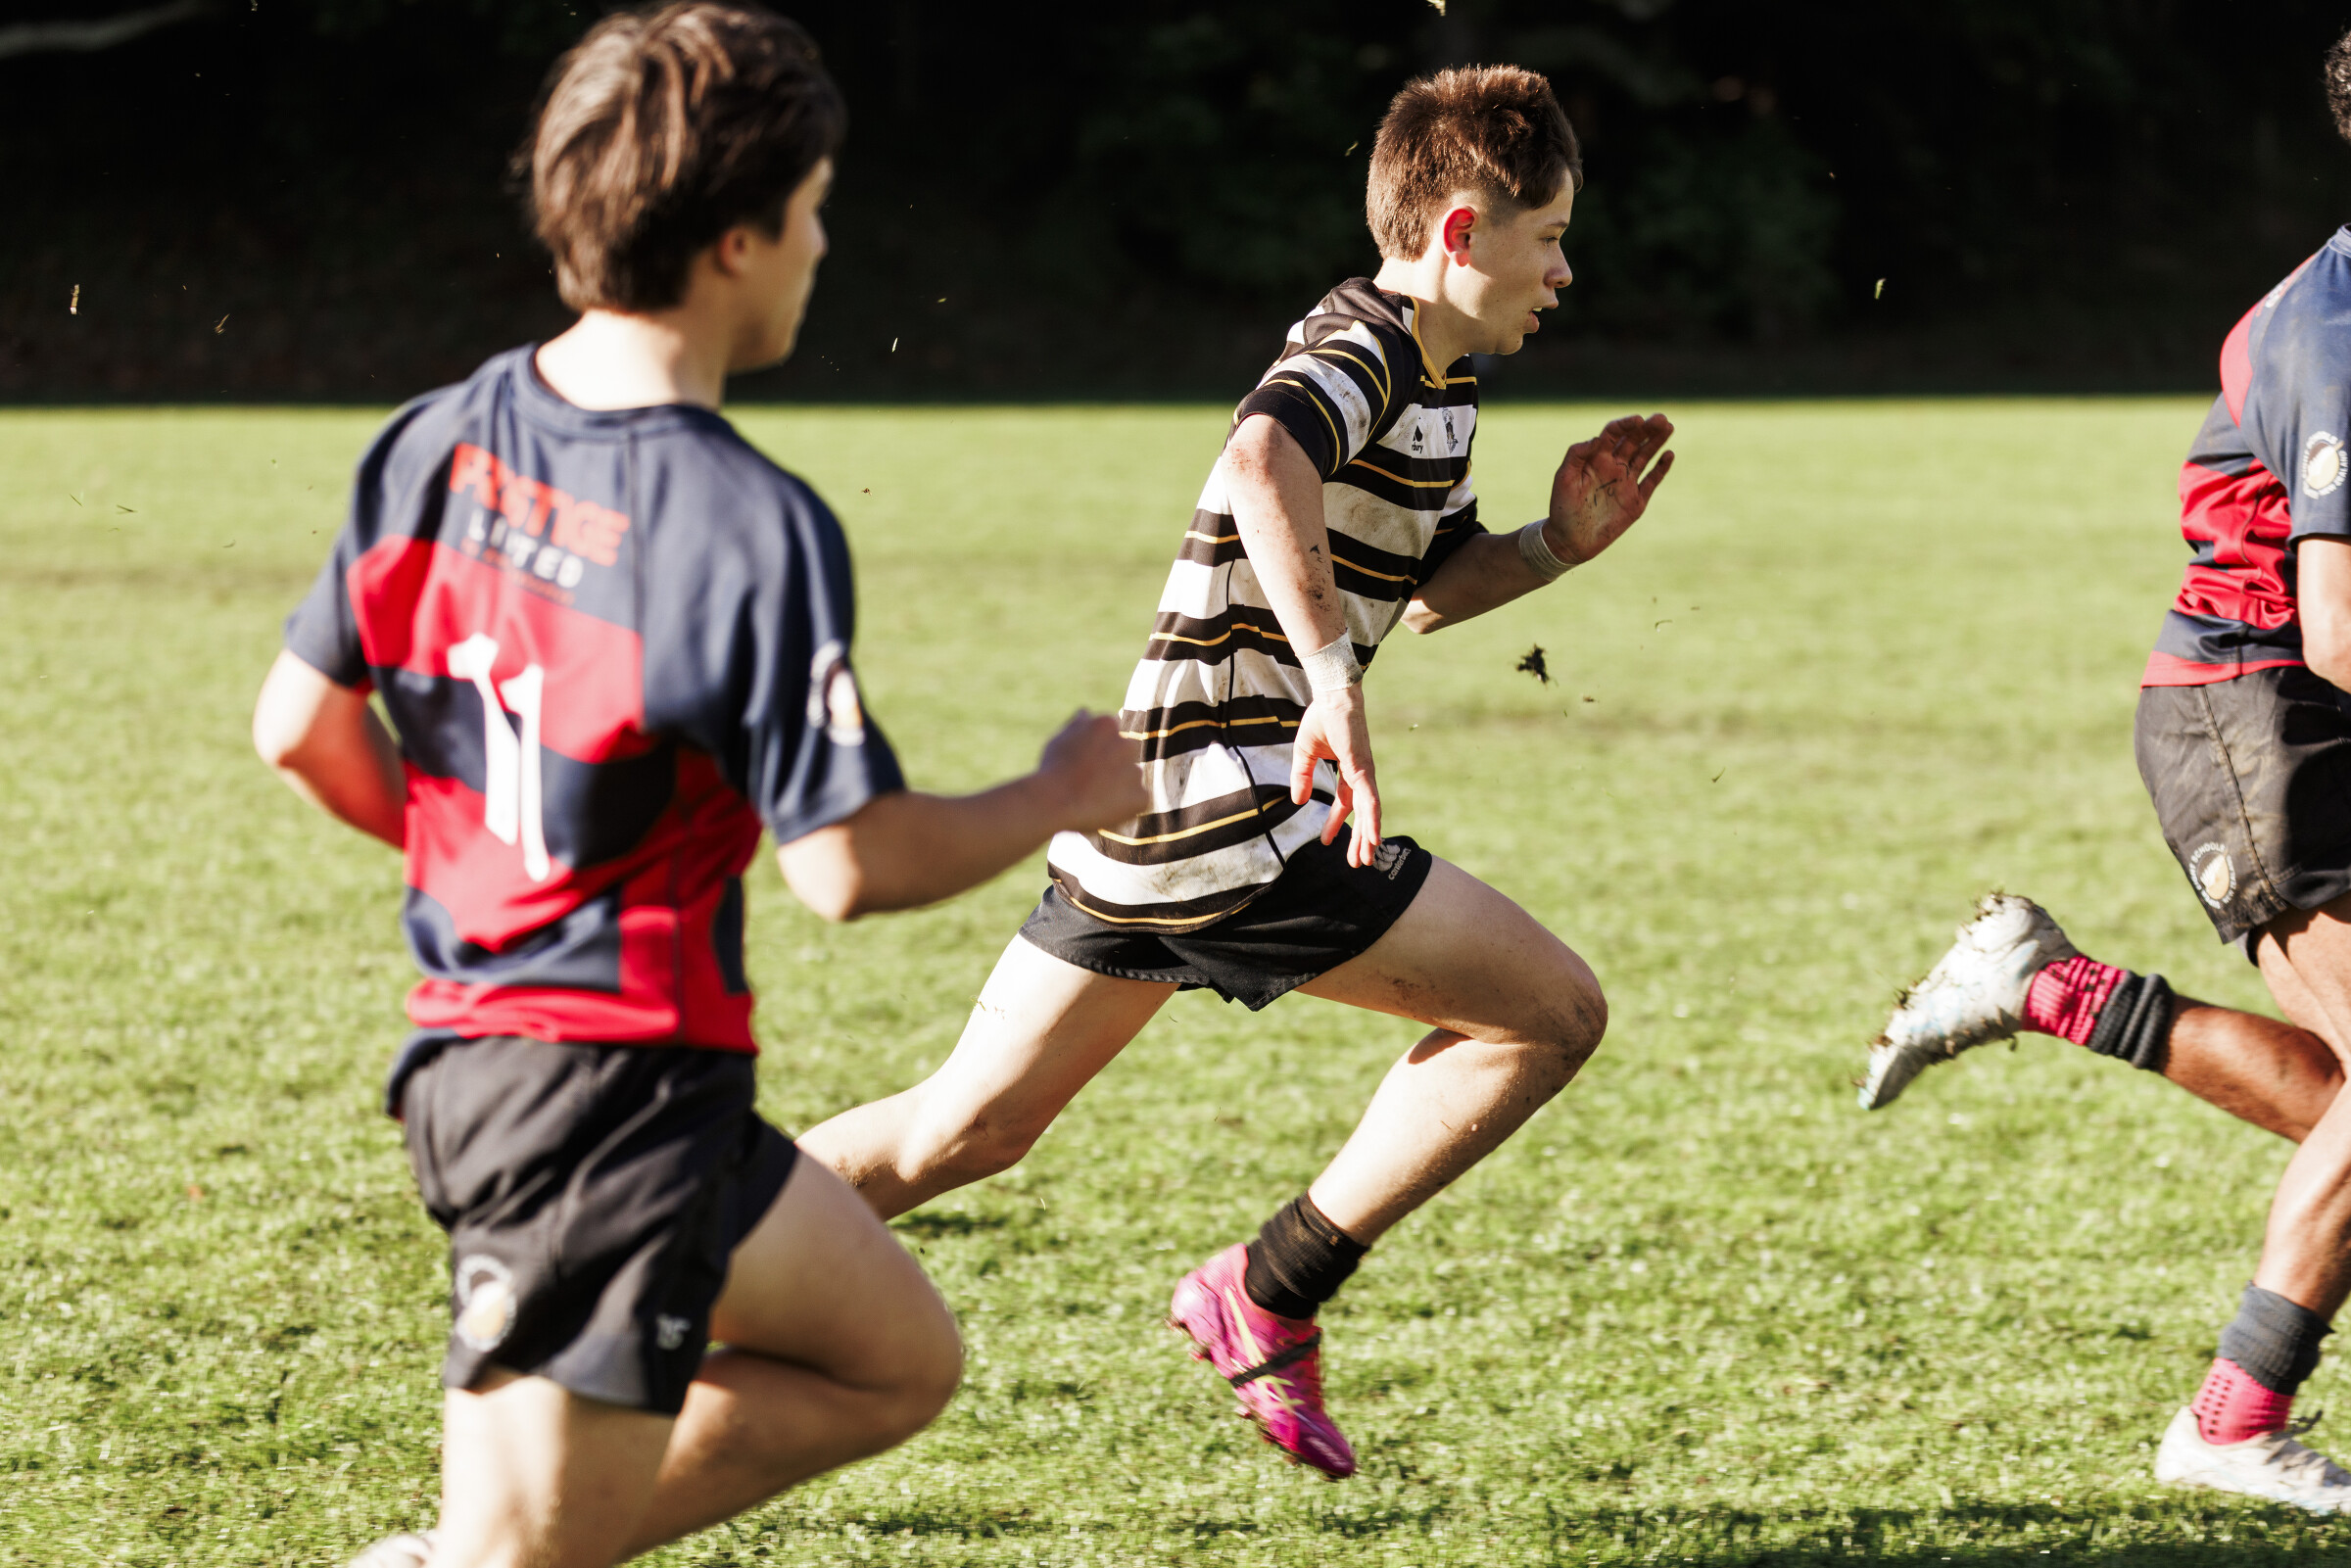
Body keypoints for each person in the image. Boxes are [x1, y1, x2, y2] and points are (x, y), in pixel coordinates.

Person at [250, 8, 1145, 1565]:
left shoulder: (433, 441)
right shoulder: (743, 522)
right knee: (517, 1556)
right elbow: (846, 862)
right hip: (602, 1102)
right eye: (813, 210)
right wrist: (1059, 790)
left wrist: (487, 858)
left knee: (898, 1358)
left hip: (572, 1079)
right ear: (737, 239)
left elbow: (297, 726)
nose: (822, 245)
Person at [797, 65, 1674, 1480]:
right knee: (1551, 1013)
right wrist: (1330, 679)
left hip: (1152, 810)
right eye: (1552, 237)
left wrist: (1556, 545)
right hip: (1238, 807)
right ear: (1462, 232)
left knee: (963, 1129)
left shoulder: (1437, 379)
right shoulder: (1363, 350)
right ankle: (1268, 1287)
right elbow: (1265, 457)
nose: (1566, 272)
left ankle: (673, 1240)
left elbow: (1422, 588)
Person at [1857, 30, 2351, 1516]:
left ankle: (2053, 987)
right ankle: (2230, 1421)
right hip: (2258, 713)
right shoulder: (2335, 327)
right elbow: (2340, 626)